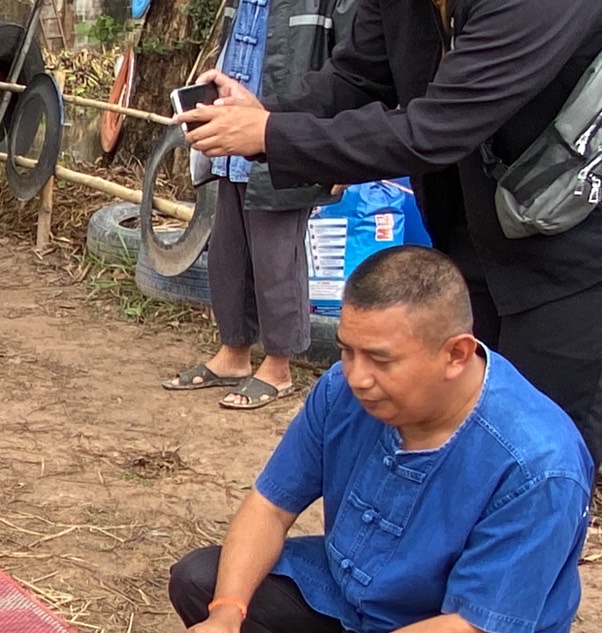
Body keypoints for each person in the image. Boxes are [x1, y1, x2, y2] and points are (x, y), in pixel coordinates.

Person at [169, 247, 591, 633]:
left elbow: (479, 629)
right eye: (345, 349)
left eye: (381, 359)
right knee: (203, 578)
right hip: (358, 593)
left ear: (456, 354)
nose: (356, 375)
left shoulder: (538, 465)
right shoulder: (344, 390)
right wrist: (225, 611)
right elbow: (269, 505)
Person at [180, 1, 602, 459]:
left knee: (539, 448)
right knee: (462, 439)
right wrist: (266, 113)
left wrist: (271, 135)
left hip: (573, 251)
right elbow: (357, 77)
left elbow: (436, 127)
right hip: (475, 237)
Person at [163, 0, 350, 411]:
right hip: (232, 142)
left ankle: (278, 367)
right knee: (227, 253)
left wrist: (339, 146)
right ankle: (233, 353)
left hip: (283, 136)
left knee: (276, 257)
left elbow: (354, 66)